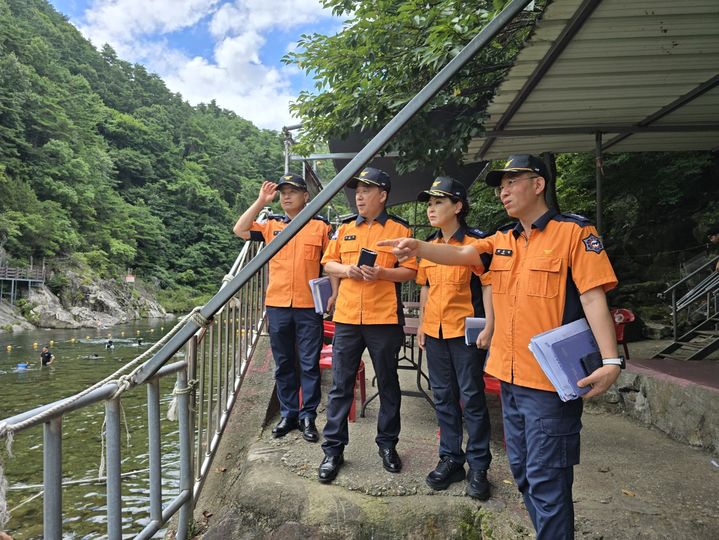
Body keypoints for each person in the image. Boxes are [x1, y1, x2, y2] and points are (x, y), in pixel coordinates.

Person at [380, 154, 621, 539]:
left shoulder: (573, 233)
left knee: (547, 480)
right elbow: (461, 253)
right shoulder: (503, 239)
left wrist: (611, 360)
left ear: (538, 184)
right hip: (508, 376)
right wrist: (419, 247)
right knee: (524, 473)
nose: (503, 191)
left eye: (512, 182)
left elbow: (593, 298)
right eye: (500, 185)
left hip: (549, 384)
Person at [317, 166, 418, 483]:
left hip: (384, 319)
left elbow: (411, 271)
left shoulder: (401, 230)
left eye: (366, 190)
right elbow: (328, 262)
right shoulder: (344, 228)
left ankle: (388, 445)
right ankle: (332, 451)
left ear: (383, 195)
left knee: (388, 384)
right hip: (346, 318)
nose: (359, 196)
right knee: (340, 386)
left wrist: (383, 274)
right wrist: (348, 271)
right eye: (357, 191)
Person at [234, 174, 335, 443]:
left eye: (293, 191)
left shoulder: (321, 227)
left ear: (306, 197)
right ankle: (289, 414)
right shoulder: (271, 225)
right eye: (283, 192)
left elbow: (332, 263)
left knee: (309, 363)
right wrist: (260, 201)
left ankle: (308, 416)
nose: (286, 196)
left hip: (308, 307)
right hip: (277, 304)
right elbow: (240, 230)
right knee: (284, 363)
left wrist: (333, 295)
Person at [415, 176, 494, 500]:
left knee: (472, 398)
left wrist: (491, 324)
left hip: (465, 334)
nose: (432, 209)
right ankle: (451, 458)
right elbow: (425, 286)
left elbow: (488, 284)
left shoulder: (475, 243)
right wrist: (421, 323)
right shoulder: (429, 245)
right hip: (435, 332)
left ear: (458, 206)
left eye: (439, 203)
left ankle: (478, 466)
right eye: (430, 204)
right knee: (444, 397)